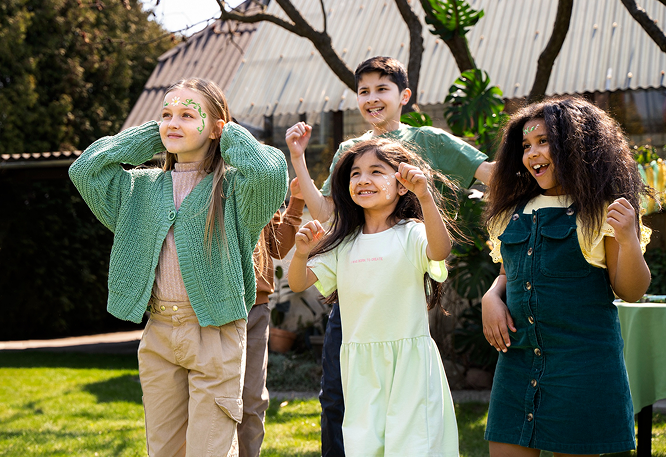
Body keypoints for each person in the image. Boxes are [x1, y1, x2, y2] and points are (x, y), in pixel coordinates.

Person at [69, 78, 288, 457]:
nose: (173, 122)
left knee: (210, 449)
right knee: (164, 450)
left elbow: (270, 173)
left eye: (188, 115)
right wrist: (150, 137)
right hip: (159, 333)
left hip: (215, 334)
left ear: (217, 127)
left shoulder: (235, 191)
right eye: (166, 115)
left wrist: (229, 135)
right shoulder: (138, 189)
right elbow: (85, 170)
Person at [285, 55, 492, 456]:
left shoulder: (428, 143)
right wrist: (298, 159)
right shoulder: (350, 151)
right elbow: (329, 214)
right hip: (356, 318)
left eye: (382, 89)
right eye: (364, 91)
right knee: (343, 408)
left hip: (401, 315)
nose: (372, 98)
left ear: (405, 96)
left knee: (409, 431)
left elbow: (486, 176)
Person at [481, 97, 654, 457]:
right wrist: (491, 296)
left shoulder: (601, 212)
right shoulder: (512, 212)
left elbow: (631, 290)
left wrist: (627, 239)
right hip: (518, 362)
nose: (532, 153)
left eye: (544, 141)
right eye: (526, 145)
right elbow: (507, 271)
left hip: (582, 367)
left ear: (578, 145)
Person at [288, 138, 460, 456]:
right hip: (361, 369)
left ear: (402, 185)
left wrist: (426, 195)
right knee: (364, 447)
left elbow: (440, 250)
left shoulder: (412, 233)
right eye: (355, 173)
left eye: (376, 171)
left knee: (413, 446)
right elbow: (299, 283)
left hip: (409, 365)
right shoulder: (343, 243)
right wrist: (300, 254)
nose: (363, 179)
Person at [239, 177, 304, 457]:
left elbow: (277, 247)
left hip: (256, 309)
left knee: (252, 399)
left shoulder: (262, 184)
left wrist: (297, 199)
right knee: (212, 397)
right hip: (210, 309)